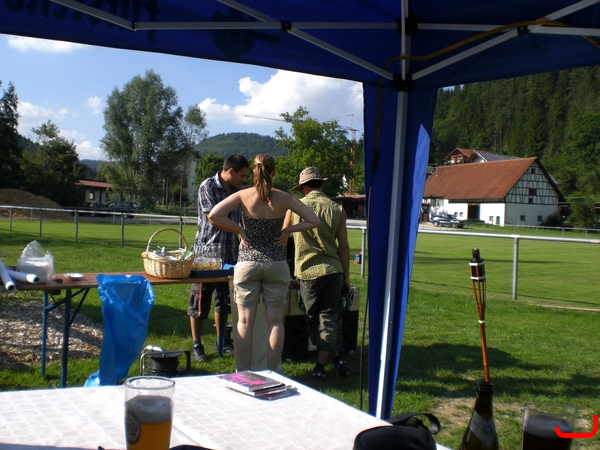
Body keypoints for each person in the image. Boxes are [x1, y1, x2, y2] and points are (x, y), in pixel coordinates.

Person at [208, 154, 320, 371]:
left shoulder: (243, 195)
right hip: (276, 264)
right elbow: (313, 220)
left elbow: (213, 215)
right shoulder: (284, 198)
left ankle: (243, 372)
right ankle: (273, 373)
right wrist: (287, 230)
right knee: (275, 322)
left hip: (247, 263)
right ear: (274, 172)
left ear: (254, 171)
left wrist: (239, 230)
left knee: (244, 322)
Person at [284, 166, 351, 379]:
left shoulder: (294, 209)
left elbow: (283, 240)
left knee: (312, 319)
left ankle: (320, 367)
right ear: (321, 184)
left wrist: (283, 271)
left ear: (303, 187)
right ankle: (337, 359)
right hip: (334, 269)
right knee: (329, 317)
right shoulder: (338, 209)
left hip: (308, 270)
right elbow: (344, 247)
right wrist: (347, 277)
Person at [188, 154, 249, 361]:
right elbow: (213, 218)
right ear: (231, 171)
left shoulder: (240, 191)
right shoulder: (208, 186)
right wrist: (240, 230)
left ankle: (222, 341)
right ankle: (197, 344)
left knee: (224, 301)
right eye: (242, 175)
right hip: (206, 254)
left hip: (231, 254)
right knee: (199, 301)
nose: (244, 180)